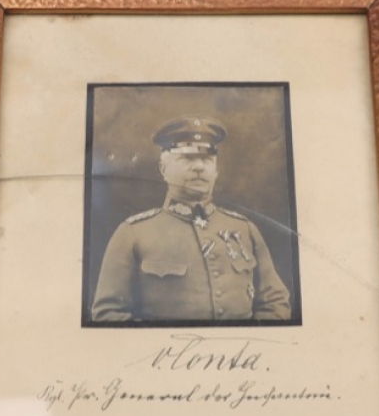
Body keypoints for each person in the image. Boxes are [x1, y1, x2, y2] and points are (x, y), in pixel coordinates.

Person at [91, 116, 291, 322]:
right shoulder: (133, 233)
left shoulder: (245, 229)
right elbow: (108, 313)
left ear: (216, 171)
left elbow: (274, 300)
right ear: (163, 169)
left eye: (207, 160)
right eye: (186, 158)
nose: (199, 167)